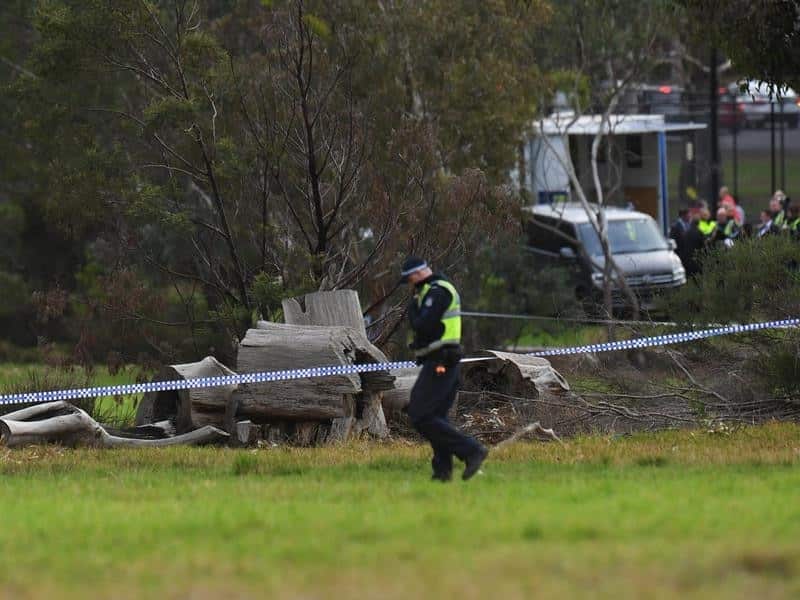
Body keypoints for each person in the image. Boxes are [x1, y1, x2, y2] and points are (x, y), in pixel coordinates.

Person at [402, 257, 487, 482]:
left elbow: (424, 325)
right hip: (441, 360)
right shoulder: (432, 291)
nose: (410, 284)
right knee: (436, 416)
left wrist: (412, 308)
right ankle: (442, 472)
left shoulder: (437, 292)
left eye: (409, 278)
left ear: (417, 274)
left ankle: (471, 450)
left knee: (420, 414)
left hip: (441, 361)